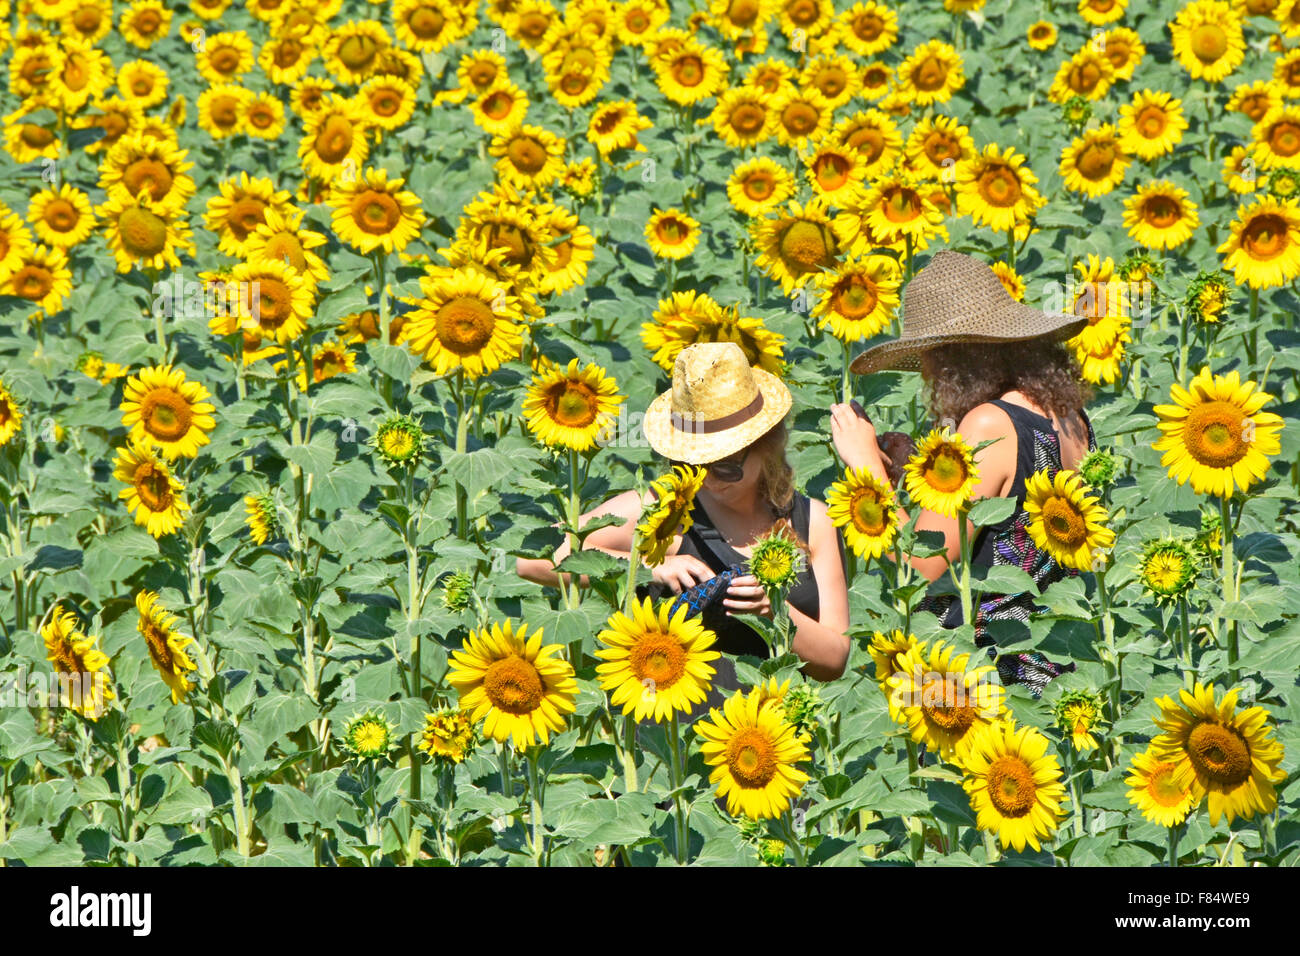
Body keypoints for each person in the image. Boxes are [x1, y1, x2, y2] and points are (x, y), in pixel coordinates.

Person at [829, 249, 1097, 696]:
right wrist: (920, 470)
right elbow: (1006, 518)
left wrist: (867, 468)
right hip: (1056, 668)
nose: (929, 375)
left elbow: (919, 565)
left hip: (990, 679)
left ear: (956, 358)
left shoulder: (990, 424)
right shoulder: (1069, 416)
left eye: (932, 358)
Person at [517, 341, 850, 698]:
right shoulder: (662, 510)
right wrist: (645, 567)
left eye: (725, 466)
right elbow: (532, 558)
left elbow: (834, 660)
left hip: (774, 739)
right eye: (693, 463)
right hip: (667, 732)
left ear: (767, 444)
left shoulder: (813, 521)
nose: (707, 479)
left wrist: (775, 611)